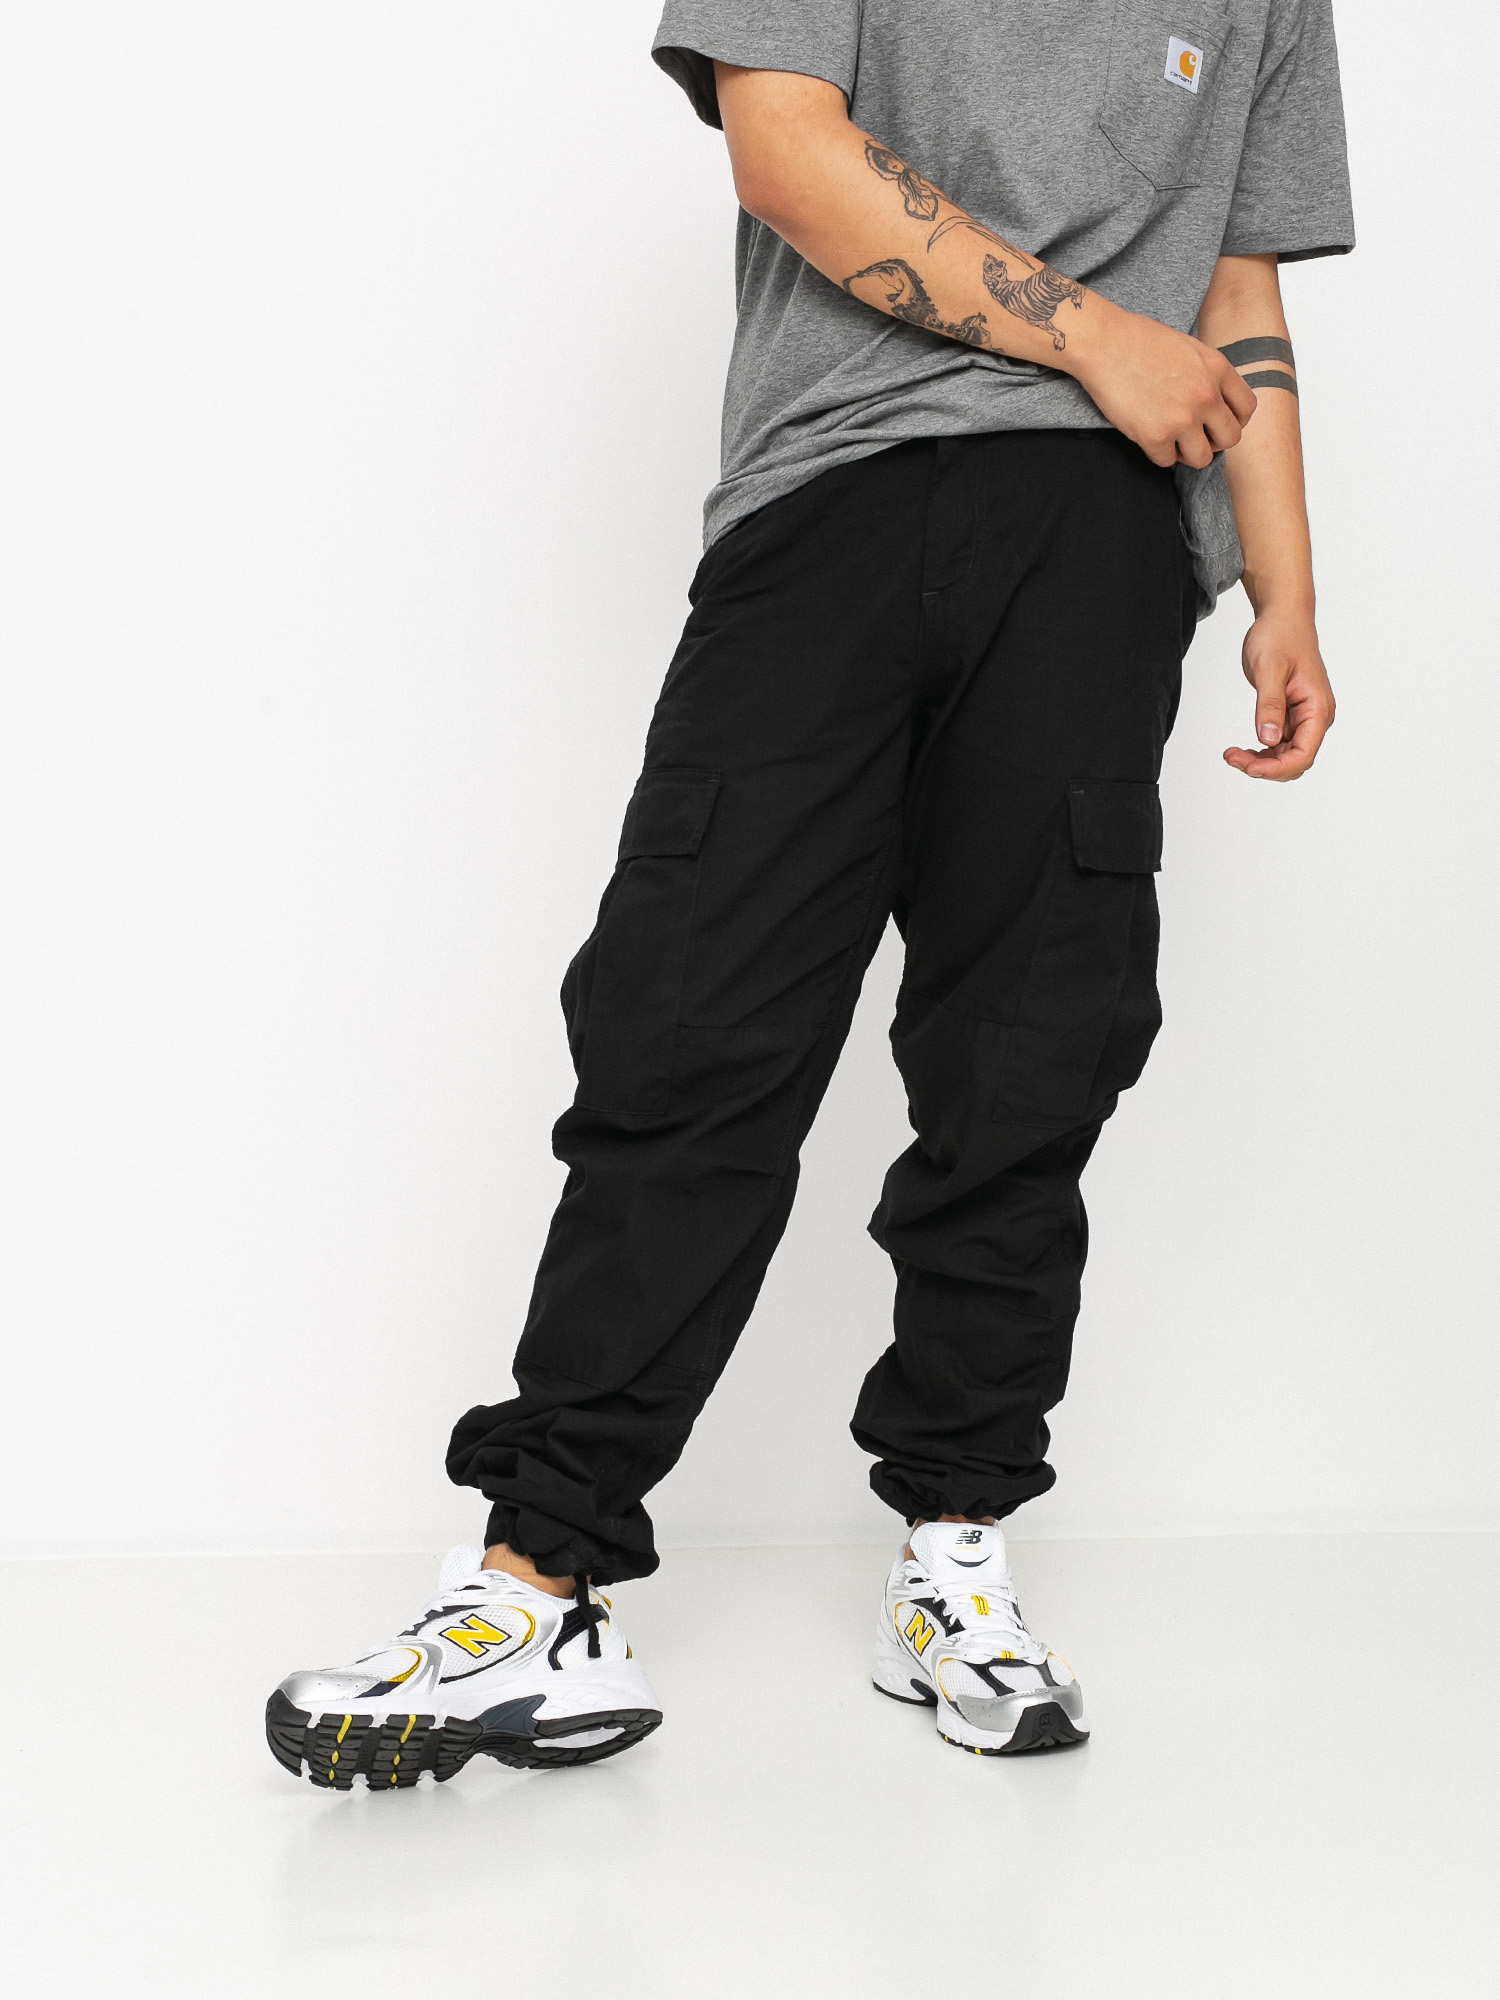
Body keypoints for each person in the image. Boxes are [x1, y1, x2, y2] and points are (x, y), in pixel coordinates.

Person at [266, 0, 1353, 1787]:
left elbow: (1241, 294)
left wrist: (1287, 588)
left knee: (1031, 1059)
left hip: (1099, 540)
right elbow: (787, 153)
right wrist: (1100, 339)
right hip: (825, 502)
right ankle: (539, 1584)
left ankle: (956, 1554)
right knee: (690, 1019)